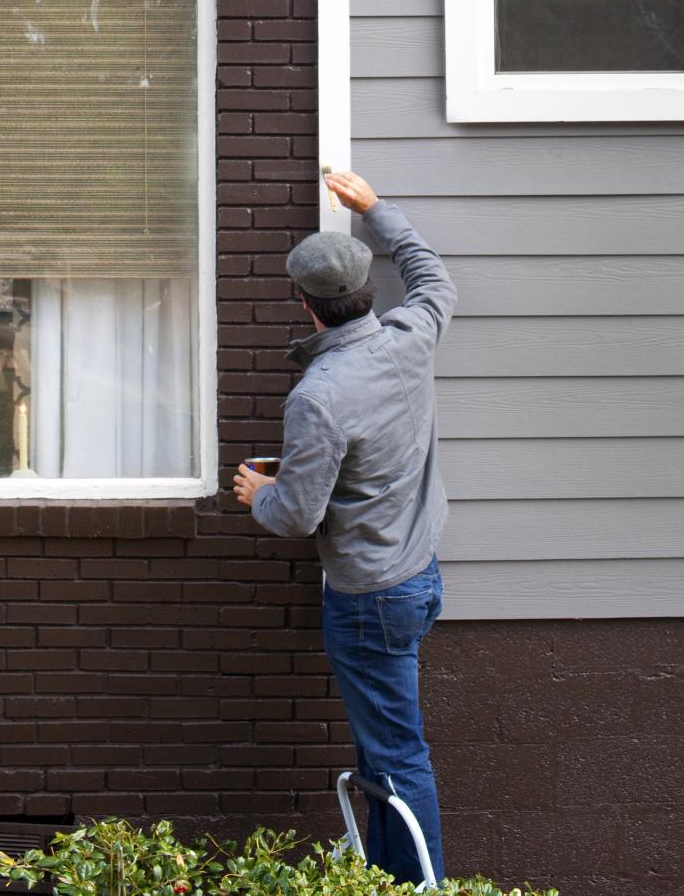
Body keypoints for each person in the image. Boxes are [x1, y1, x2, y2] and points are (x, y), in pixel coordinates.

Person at [233, 170, 456, 886]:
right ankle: (394, 878)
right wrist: (375, 208)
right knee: (386, 750)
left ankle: (421, 886)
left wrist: (258, 492)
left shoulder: (320, 395)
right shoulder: (412, 334)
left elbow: (297, 513)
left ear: (306, 304)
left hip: (369, 601)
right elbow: (433, 277)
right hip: (419, 576)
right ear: (366, 289)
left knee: (395, 756)